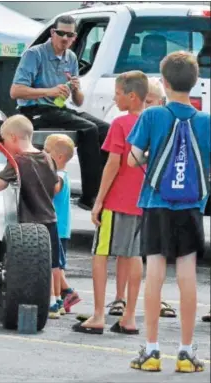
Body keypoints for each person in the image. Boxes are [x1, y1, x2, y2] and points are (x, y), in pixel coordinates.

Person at [127, 51, 210, 373]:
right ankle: (186, 353)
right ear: (195, 83)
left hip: (156, 202)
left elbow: (133, 159)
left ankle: (151, 351)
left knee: (155, 276)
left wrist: (151, 155)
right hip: (190, 206)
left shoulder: (152, 116)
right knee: (188, 277)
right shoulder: (205, 121)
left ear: (162, 82)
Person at [72, 70, 149, 335]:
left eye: (117, 93)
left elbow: (113, 164)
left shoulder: (121, 124)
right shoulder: (155, 122)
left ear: (131, 95)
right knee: (134, 254)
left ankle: (97, 315)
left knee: (100, 254)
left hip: (118, 201)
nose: (115, 98)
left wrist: (98, 201)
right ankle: (129, 317)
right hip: (144, 202)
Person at [10, 14, 110, 210]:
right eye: (61, 34)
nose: (65, 39)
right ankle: (90, 196)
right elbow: (15, 91)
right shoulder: (35, 54)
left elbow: (78, 101)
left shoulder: (71, 58)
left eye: (70, 35)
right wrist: (50, 91)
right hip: (34, 110)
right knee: (88, 130)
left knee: (107, 130)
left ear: (74, 38)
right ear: (52, 33)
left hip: (59, 108)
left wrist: (75, 88)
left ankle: (104, 191)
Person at [106, 78, 177, 319]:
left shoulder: (163, 124)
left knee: (148, 252)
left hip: (154, 196)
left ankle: (151, 298)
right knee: (128, 251)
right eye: (145, 101)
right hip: (133, 195)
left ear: (161, 101)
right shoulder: (139, 124)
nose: (147, 106)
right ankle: (120, 297)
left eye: (151, 102)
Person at [0, 115, 62, 319]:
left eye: (5, 140)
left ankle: (37, 299)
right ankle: (54, 301)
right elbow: (56, 185)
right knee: (52, 263)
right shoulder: (48, 158)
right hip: (50, 217)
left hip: (30, 222)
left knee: (32, 263)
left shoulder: (18, 161)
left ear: (13, 138)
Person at [44, 134, 81, 315]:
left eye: (46, 151)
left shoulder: (58, 175)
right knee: (57, 266)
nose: (43, 154)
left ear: (58, 157)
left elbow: (54, 188)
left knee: (55, 266)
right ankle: (64, 296)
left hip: (57, 227)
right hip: (61, 227)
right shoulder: (63, 173)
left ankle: (57, 298)